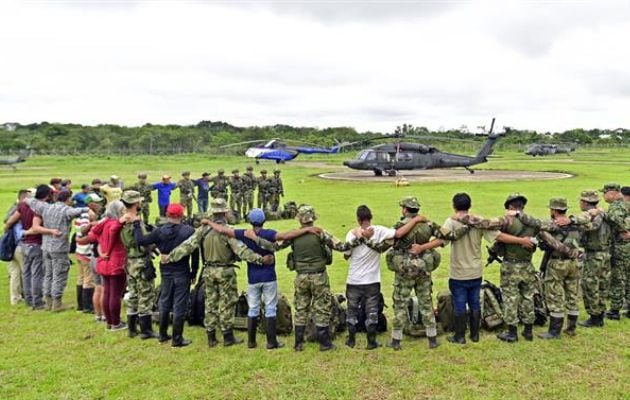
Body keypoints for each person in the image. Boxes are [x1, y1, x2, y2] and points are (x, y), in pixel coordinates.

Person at [203, 208, 322, 350]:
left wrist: (209, 222)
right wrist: (307, 229)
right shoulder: (269, 234)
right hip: (269, 277)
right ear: (264, 220)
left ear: (250, 221)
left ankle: (251, 342)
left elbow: (223, 230)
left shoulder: (244, 234)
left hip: (253, 277)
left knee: (253, 308)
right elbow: (286, 235)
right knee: (270, 308)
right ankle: (271, 342)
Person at [163, 198, 274, 348]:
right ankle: (228, 336)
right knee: (227, 302)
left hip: (208, 270)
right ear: (225, 212)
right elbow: (242, 251)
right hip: (226, 270)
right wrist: (260, 259)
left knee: (210, 302)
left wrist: (170, 257)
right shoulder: (228, 231)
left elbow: (187, 246)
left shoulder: (203, 230)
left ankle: (211, 337)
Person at [438, 193, 535, 345]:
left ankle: (460, 336)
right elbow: (499, 237)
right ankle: (475, 335)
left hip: (458, 271)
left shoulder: (450, 221)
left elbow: (441, 241)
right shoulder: (480, 222)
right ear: (469, 205)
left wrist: (422, 247)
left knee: (460, 303)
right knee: (475, 302)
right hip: (475, 270)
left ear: (454, 205)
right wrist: (522, 240)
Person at [344, 203, 432, 350]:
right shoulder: (379, 231)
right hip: (372, 280)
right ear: (370, 218)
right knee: (372, 311)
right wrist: (415, 220)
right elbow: (399, 233)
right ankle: (371, 342)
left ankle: (351, 340)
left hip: (353, 280)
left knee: (352, 311)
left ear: (358, 220)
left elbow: (346, 255)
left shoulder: (351, 234)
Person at [278, 205, 365, 352]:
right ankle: (325, 343)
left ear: (300, 219)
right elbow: (342, 246)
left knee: (301, 308)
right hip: (319, 276)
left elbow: (275, 245)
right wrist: (360, 239)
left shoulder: (293, 235)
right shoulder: (320, 233)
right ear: (313, 218)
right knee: (322, 309)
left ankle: (298, 343)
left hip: (301, 277)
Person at [135, 203, 195, 347]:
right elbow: (195, 253)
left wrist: (137, 225)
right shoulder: (189, 231)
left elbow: (141, 241)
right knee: (180, 303)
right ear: (182, 215)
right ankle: (177, 338)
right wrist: (195, 271)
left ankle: (162, 334)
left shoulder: (159, 231)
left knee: (164, 300)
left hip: (166, 270)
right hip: (182, 269)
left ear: (167, 215)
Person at [26, 190, 91, 311]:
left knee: (48, 274)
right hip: (60, 247)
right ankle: (57, 303)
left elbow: (30, 201)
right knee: (59, 275)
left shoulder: (46, 208)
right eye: (71, 199)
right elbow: (78, 211)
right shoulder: (66, 210)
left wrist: (26, 198)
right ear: (67, 199)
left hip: (46, 246)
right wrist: (87, 209)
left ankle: (48, 302)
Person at [79, 201, 127, 331]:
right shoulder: (115, 224)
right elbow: (114, 229)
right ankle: (116, 323)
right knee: (115, 294)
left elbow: (91, 237)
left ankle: (109, 322)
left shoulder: (102, 224)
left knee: (107, 292)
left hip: (102, 262)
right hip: (116, 262)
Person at [118, 191, 159, 340]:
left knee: (133, 294)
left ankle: (131, 328)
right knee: (146, 295)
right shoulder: (135, 222)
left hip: (130, 261)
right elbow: (141, 242)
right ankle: (146, 330)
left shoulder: (122, 220)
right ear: (136, 203)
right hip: (141, 261)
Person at [4, 185, 49, 309]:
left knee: (27, 274)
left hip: (24, 244)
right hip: (36, 243)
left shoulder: (22, 206)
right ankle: (37, 301)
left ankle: (28, 299)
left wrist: (12, 233)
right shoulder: (39, 208)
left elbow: (9, 221)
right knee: (36, 274)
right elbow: (37, 228)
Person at [573, 190, 612, 327]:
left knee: (590, 285)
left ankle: (594, 316)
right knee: (602, 284)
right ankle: (600, 314)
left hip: (594, 254)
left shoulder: (593, 216)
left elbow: (591, 227)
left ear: (584, 202)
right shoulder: (604, 214)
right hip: (605, 253)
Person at [601, 183, 630, 320]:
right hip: (626, 246)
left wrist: (602, 213)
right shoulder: (626, 204)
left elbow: (615, 219)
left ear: (611, 193)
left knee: (617, 279)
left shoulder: (616, 206)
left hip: (619, 247)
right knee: (628, 278)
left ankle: (614, 310)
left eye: (604, 193)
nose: (603, 196)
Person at [73, 194, 103, 314]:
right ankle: (87, 306)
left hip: (79, 250)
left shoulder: (81, 215)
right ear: (90, 203)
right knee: (88, 279)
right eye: (97, 203)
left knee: (81, 278)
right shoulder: (87, 216)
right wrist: (92, 224)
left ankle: (80, 305)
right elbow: (83, 231)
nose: (99, 205)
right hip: (85, 251)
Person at [3, 189, 29, 305]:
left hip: (10, 245)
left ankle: (15, 298)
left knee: (14, 274)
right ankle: (27, 296)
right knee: (25, 272)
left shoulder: (13, 207)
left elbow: (6, 222)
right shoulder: (21, 209)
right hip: (19, 244)